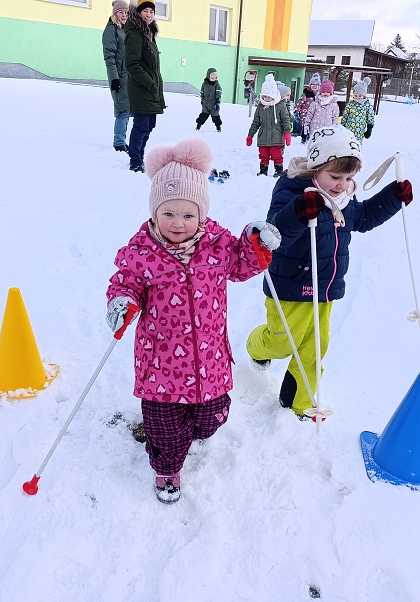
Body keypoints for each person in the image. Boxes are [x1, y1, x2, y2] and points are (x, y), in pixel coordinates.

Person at [105, 137, 281, 503]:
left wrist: (256, 244)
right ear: (154, 212)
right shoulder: (142, 253)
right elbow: (125, 282)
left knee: (213, 415)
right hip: (161, 362)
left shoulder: (217, 246)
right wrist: (122, 303)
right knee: (165, 426)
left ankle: (194, 430)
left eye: (188, 214)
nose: (178, 223)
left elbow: (241, 264)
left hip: (209, 358)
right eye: (168, 213)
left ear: (201, 213)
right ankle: (167, 468)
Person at [245, 124, 414, 418]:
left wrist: (392, 198)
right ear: (315, 167)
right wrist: (299, 212)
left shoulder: (344, 197)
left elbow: (362, 218)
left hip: (325, 288)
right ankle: (257, 346)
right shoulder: (292, 189)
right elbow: (276, 232)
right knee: (283, 342)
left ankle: (300, 401)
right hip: (291, 284)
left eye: (348, 177)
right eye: (335, 176)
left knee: (314, 348)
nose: (341, 184)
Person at [124, 1, 166, 173]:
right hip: (141, 88)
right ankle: (135, 161)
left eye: (151, 11)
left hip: (151, 88)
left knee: (149, 125)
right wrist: (149, 82)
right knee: (141, 126)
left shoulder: (149, 33)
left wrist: (154, 84)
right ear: (138, 12)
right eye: (145, 11)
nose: (149, 15)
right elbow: (132, 64)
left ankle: (140, 155)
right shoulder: (135, 33)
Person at [246, 74, 293, 178]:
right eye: (264, 96)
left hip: (276, 137)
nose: (266, 98)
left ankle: (279, 170)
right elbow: (255, 122)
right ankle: (263, 170)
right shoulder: (260, 107)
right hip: (263, 137)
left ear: (274, 95)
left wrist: (287, 133)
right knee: (263, 155)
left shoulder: (280, 106)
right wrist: (250, 135)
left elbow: (286, 120)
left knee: (277, 155)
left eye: (269, 96)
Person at [102, 1, 131, 153]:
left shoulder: (125, 30)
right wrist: (114, 78)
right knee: (123, 110)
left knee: (128, 110)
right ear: (115, 13)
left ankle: (122, 140)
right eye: (121, 12)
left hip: (129, 77)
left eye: (126, 12)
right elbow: (109, 57)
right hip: (119, 77)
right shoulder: (111, 30)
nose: (124, 15)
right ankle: (119, 142)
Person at [340, 77, 375, 142]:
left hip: (359, 132)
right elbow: (345, 115)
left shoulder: (367, 105)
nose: (357, 98)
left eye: (360, 96)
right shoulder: (351, 104)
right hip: (348, 130)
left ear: (364, 95)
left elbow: (370, 117)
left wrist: (369, 129)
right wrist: (342, 126)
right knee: (346, 145)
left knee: (356, 146)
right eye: (355, 96)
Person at [294, 73, 320, 143]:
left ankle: (312, 139)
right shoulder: (306, 93)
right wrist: (297, 112)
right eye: (313, 84)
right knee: (306, 127)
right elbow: (299, 104)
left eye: (316, 84)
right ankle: (304, 139)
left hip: (316, 115)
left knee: (313, 127)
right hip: (305, 115)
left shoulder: (320, 95)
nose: (314, 86)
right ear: (310, 85)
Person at [196, 68, 223, 132]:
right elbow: (202, 92)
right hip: (206, 104)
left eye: (216, 78)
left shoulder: (217, 85)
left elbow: (218, 93)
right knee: (203, 116)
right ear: (208, 77)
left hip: (214, 105)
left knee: (215, 117)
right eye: (212, 78)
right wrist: (202, 100)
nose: (214, 80)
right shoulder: (204, 84)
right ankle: (198, 126)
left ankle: (218, 127)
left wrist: (217, 102)